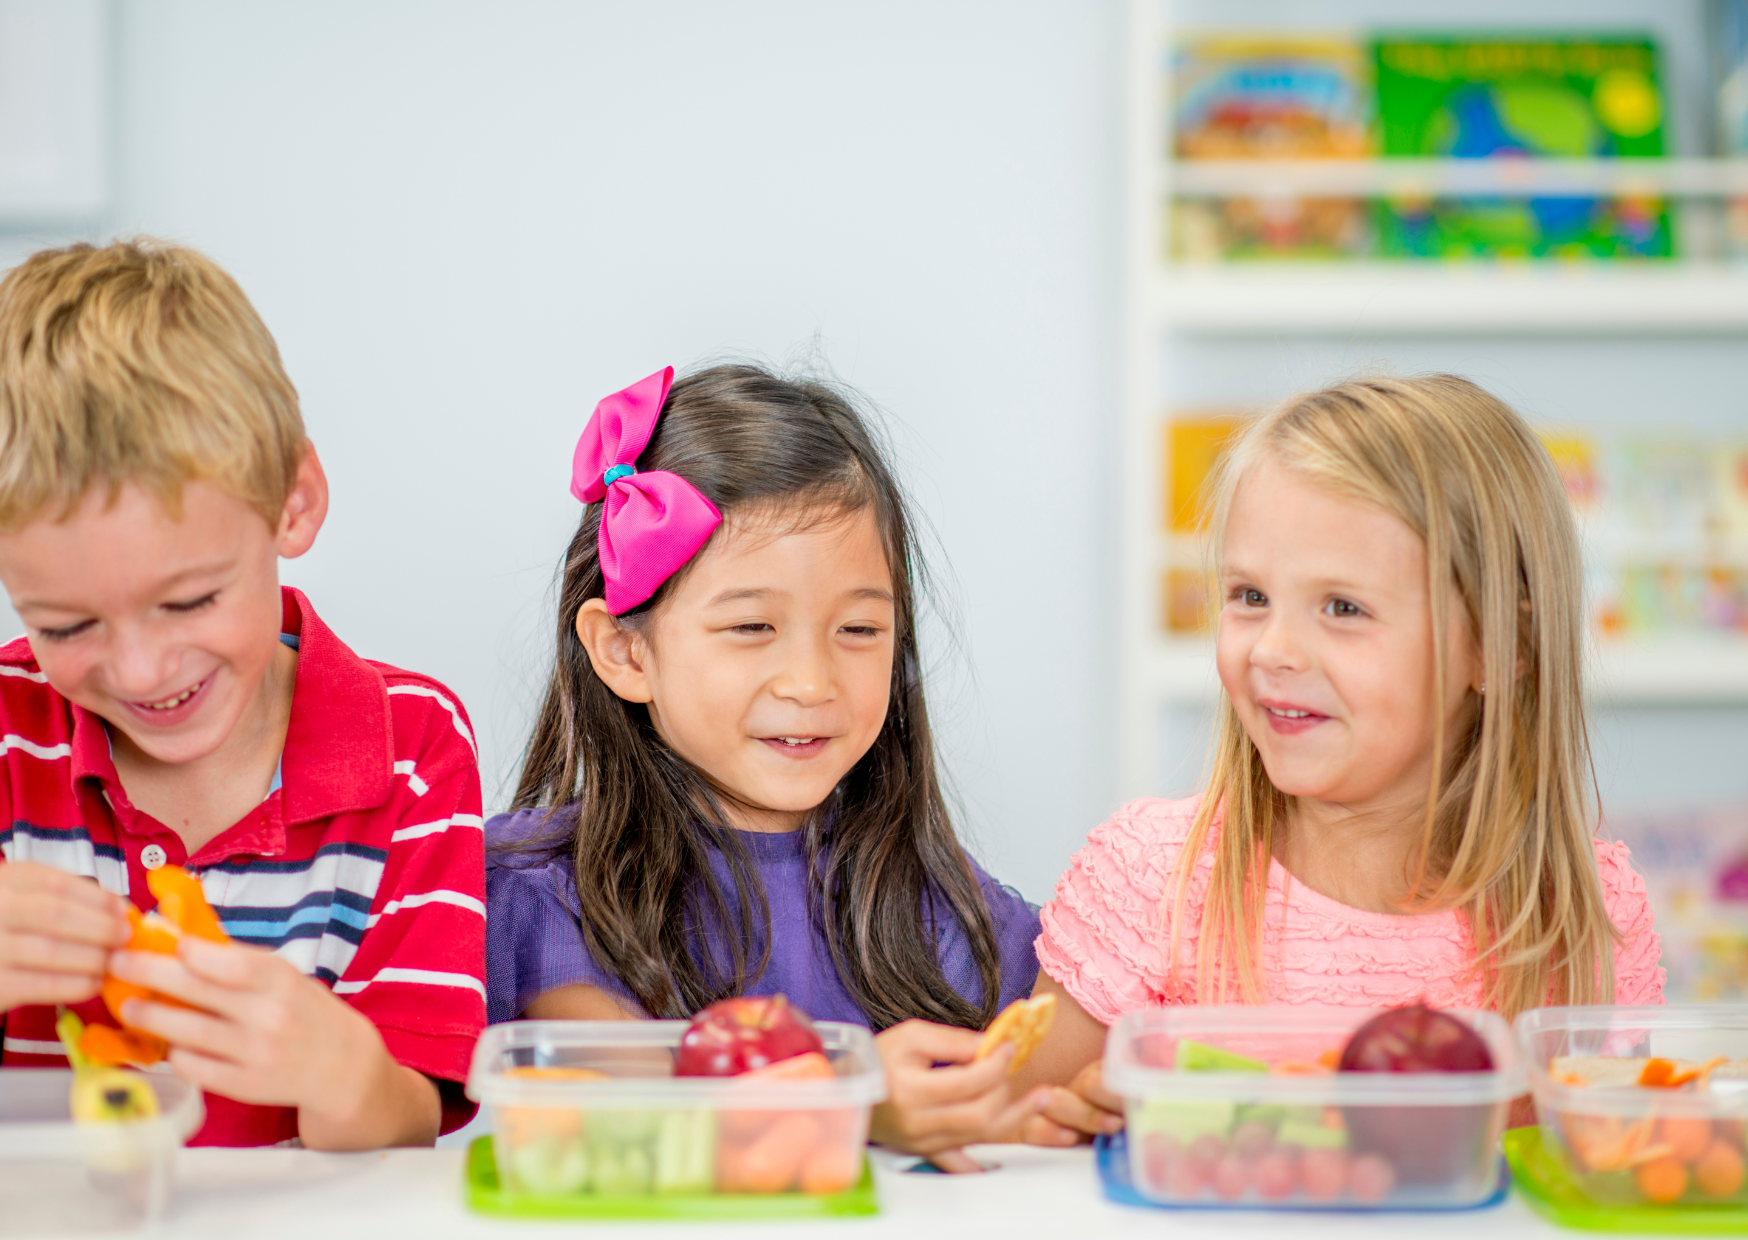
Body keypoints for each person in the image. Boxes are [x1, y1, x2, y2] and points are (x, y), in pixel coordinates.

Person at [1012, 374, 1663, 1144]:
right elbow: (1009, 1138)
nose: (1274, 649)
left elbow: (1614, 1166)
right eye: (1250, 595)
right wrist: (1077, 1120)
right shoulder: (1151, 876)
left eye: (1343, 608)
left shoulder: (1583, 914)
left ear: (1499, 646)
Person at [487, 364, 1044, 1171]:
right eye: (752, 627)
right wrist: (853, 1101)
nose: (813, 682)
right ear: (624, 650)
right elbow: (634, 1115)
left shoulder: (939, 906)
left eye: (858, 630)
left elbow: (1057, 1073)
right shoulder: (545, 894)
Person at [0, 240, 486, 1148]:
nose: (141, 671)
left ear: (292, 504)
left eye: (188, 601)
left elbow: (409, 1117)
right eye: (66, 626)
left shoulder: (411, 749)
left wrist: (339, 1067)